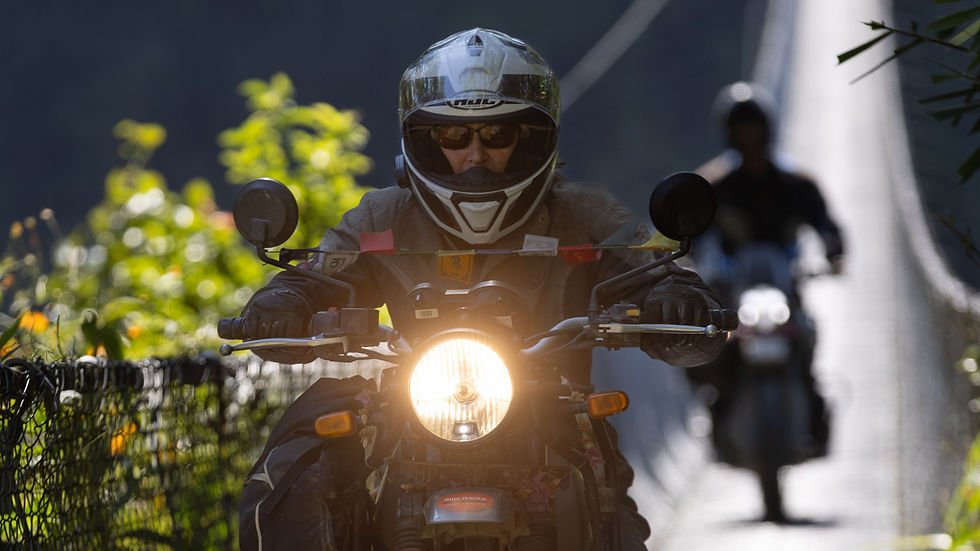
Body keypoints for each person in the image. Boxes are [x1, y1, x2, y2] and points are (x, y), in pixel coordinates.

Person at [235, 28, 727, 550]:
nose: (474, 154)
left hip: (556, 417)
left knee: (612, 517)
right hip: (413, 410)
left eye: (496, 136)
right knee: (306, 463)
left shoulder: (583, 213)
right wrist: (284, 301)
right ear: (426, 139)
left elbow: (648, 264)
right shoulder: (383, 217)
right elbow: (320, 270)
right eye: (453, 137)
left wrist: (675, 297)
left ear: (530, 139)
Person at [690, 81, 845, 522]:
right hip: (734, 297)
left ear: (768, 128)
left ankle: (814, 415)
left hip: (786, 292)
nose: (749, 137)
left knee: (810, 341)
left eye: (754, 128)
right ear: (729, 132)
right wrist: (692, 259)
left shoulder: (797, 183)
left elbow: (827, 225)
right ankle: (719, 411)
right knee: (708, 349)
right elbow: (689, 230)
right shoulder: (713, 186)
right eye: (741, 129)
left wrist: (835, 253)